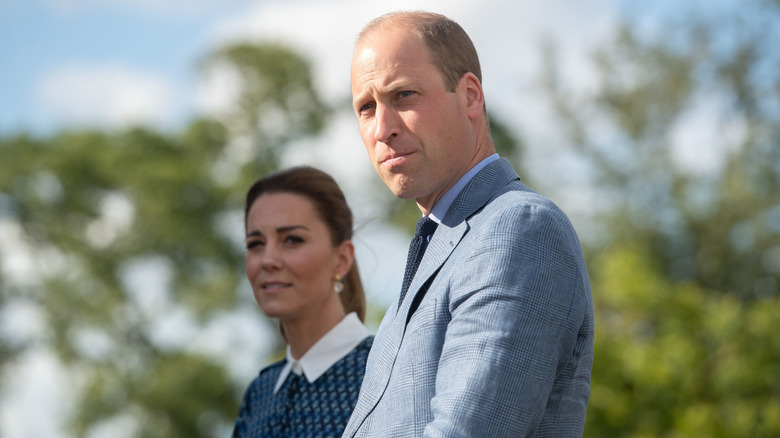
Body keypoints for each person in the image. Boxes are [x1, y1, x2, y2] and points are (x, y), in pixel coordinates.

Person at [343, 11, 594, 437]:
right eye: (367, 108)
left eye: (403, 95)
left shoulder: (517, 229)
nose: (382, 128)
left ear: (471, 96)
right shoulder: (440, 245)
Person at [232, 166, 373, 438]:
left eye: (292, 240)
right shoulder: (259, 393)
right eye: (255, 243)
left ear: (342, 259)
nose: (268, 260)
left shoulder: (385, 372)